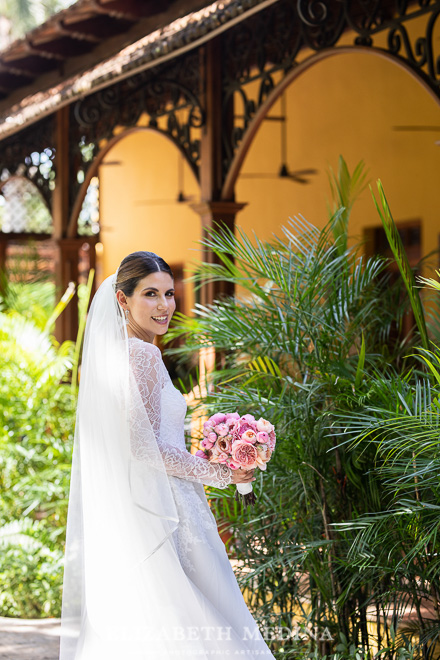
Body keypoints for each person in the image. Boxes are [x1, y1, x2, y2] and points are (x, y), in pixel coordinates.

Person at [58, 251, 276, 659]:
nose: (164, 306)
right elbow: (144, 447)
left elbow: (143, 440)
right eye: (150, 294)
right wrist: (220, 473)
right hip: (166, 510)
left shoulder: (118, 354)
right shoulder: (141, 355)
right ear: (123, 300)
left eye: (170, 294)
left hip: (147, 504)